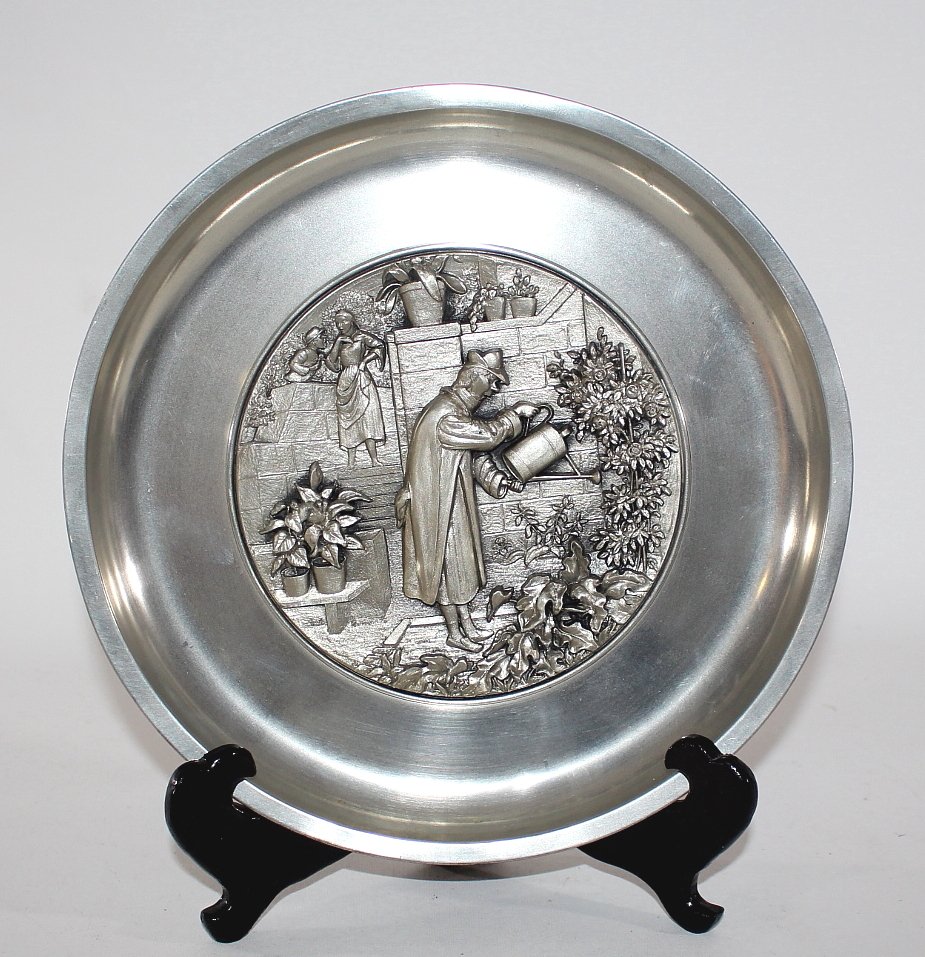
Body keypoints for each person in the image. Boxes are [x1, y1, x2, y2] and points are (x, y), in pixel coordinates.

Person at [395, 349, 537, 652]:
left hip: (451, 502)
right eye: (492, 381)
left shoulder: (455, 412)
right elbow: (486, 436)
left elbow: (471, 457)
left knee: (460, 566)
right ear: (474, 379)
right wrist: (514, 415)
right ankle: (454, 633)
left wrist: (498, 480)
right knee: (444, 569)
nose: (494, 390)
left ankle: (466, 624)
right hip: (436, 509)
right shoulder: (445, 415)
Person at [323, 310, 386, 467]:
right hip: (346, 379)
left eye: (343, 321)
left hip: (361, 377)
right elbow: (331, 362)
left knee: (368, 416)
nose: (340, 325)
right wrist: (338, 342)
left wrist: (364, 361)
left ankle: (374, 459)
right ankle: (351, 462)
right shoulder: (340, 340)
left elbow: (379, 346)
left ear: (351, 321)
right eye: (337, 323)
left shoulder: (361, 336)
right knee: (348, 421)